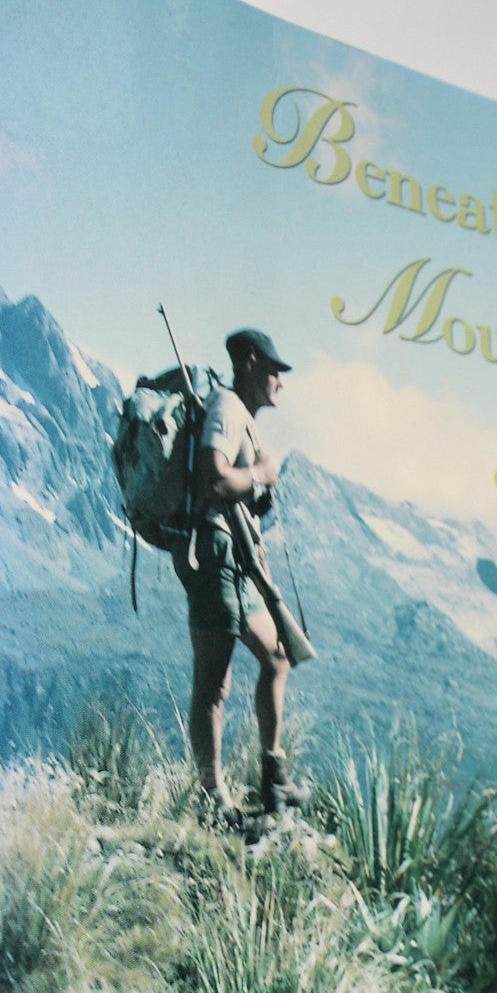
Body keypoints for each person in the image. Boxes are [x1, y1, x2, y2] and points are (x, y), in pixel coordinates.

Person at [172, 327, 309, 823]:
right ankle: (213, 800)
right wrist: (262, 476)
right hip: (216, 554)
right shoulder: (228, 409)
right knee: (214, 682)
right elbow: (214, 477)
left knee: (277, 656)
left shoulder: (242, 418)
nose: (280, 381)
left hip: (238, 557)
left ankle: (274, 777)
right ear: (249, 363)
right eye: (273, 370)